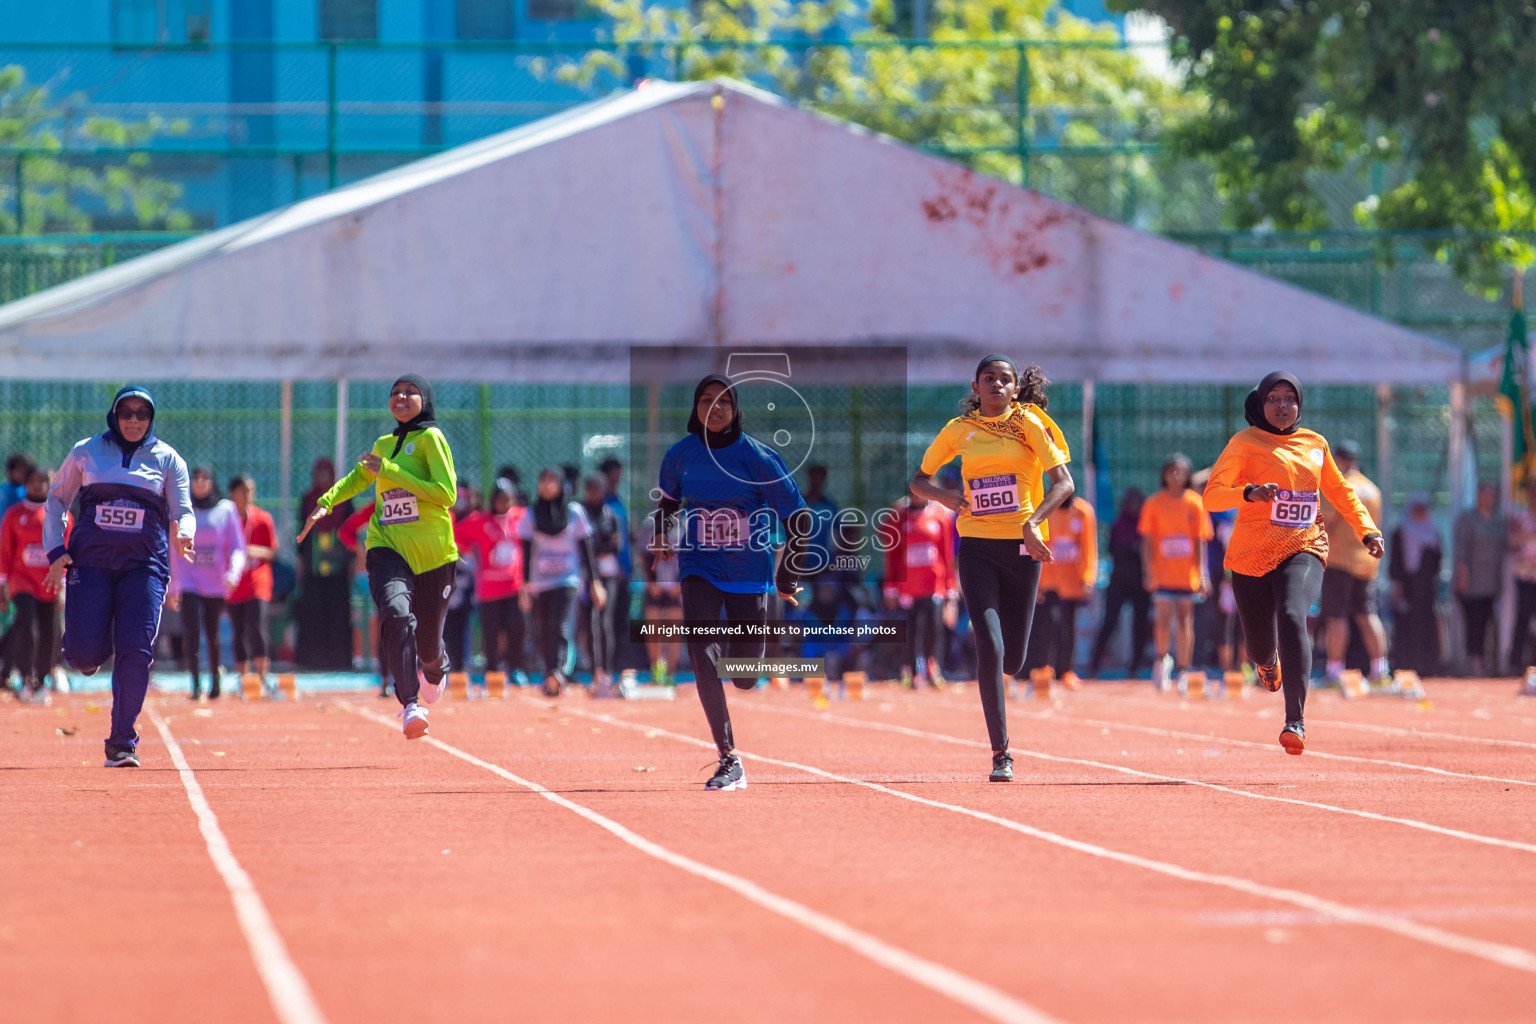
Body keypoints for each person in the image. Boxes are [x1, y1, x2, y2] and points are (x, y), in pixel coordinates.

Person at [912, 355, 1073, 782]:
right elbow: (918, 481)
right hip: (977, 547)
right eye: (989, 379)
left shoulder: (1030, 425)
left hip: (1022, 547)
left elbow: (1064, 482)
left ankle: (1005, 680)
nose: (997, 385)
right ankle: (1001, 752)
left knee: (1014, 659)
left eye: (1005, 380)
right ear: (976, 386)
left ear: (1015, 389)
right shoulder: (959, 430)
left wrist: (1034, 522)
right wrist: (945, 496)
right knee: (991, 646)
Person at [1204, 371, 1383, 755]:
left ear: (1299, 403)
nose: (1282, 406)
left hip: (1304, 547)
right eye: (1273, 399)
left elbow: (1340, 491)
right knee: (1258, 646)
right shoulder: (1244, 443)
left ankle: (1294, 721)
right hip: (1251, 557)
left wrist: (1368, 530)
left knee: (1291, 613)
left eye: (1289, 398)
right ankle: (1267, 663)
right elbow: (1212, 497)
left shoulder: (1315, 443)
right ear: (1261, 404)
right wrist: (1249, 493)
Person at [653, 373, 811, 791]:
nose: (715, 407)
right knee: (702, 651)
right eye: (707, 400)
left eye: (724, 401)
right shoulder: (680, 455)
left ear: (735, 408)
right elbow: (668, 502)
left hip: (750, 573)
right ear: (696, 408)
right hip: (699, 566)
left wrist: (786, 574)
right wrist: (661, 536)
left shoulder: (757, 458)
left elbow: (799, 518)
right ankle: (728, 756)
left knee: (743, 676)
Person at [298, 375, 458, 739]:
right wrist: (326, 502)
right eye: (394, 393)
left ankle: (436, 667)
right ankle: (410, 704)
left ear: (425, 399)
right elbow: (358, 478)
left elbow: (446, 493)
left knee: (429, 648)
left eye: (409, 392)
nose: (400, 397)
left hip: (434, 556)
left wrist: (392, 471)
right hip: (387, 545)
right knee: (395, 613)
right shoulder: (384, 443)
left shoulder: (431, 439)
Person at [44, 386, 196, 767]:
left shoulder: (168, 460)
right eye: (125, 412)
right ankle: (90, 650)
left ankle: (122, 742)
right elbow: (57, 499)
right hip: (91, 564)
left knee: (135, 652)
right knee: (81, 654)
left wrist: (184, 532)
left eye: (141, 414)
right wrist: (55, 548)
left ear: (151, 419)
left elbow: (184, 510)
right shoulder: (86, 451)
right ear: (114, 415)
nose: (133, 420)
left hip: (144, 568)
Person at [519, 468, 603, 696]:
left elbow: (587, 549)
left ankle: (559, 673)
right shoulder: (531, 515)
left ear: (562, 484)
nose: (546, 485)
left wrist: (595, 581)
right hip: (539, 583)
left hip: (568, 580)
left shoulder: (574, 512)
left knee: (561, 624)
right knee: (543, 628)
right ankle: (549, 674)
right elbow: (525, 552)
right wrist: (524, 586)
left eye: (552, 480)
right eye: (542, 480)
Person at [1319, 440, 1392, 690]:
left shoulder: (1340, 486)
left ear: (1338, 460)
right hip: (1367, 562)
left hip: (1340, 560)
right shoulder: (1372, 489)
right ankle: (1380, 669)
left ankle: (1334, 670)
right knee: (1368, 615)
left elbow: (1325, 524)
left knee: (1336, 618)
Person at [168, 468, 246, 699]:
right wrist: (174, 585)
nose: (200, 483)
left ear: (212, 482)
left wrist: (233, 573)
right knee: (191, 631)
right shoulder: (182, 510)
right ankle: (195, 683)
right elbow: (173, 548)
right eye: (196, 478)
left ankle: (215, 681)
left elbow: (237, 547)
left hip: (215, 582)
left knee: (212, 634)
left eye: (205, 478)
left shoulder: (226, 510)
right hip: (189, 581)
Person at [1139, 454, 1212, 693]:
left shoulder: (1195, 503)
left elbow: (1201, 541)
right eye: (1172, 471)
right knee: (1162, 620)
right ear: (1164, 475)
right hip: (1162, 573)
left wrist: (1203, 574)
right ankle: (1161, 660)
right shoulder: (1153, 503)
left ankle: (1182, 669)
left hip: (1186, 574)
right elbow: (1147, 541)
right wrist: (1148, 571)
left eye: (1181, 472)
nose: (1176, 476)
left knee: (1184, 620)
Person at [0, 466, 67, 703]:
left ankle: (41, 681)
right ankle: (25, 676)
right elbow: (6, 550)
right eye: (33, 481)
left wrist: (65, 586)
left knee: (49, 632)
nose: (38, 485)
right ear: (26, 484)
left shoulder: (61, 515)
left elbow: (69, 550)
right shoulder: (14, 515)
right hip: (22, 580)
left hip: (49, 583)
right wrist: (2, 582)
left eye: (42, 481)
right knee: (26, 622)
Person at [882, 491, 959, 688]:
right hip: (908, 586)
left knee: (934, 627)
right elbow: (891, 553)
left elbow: (947, 553)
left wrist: (950, 588)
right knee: (912, 628)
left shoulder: (940, 515)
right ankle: (910, 669)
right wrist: (890, 587)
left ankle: (932, 665)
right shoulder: (899, 517)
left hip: (933, 584)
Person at [455, 477, 528, 684]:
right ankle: (493, 673)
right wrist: (471, 551)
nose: (504, 503)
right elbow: (456, 534)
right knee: (491, 634)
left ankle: (514, 668)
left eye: (508, 499)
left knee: (517, 627)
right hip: (489, 589)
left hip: (514, 586)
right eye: (500, 499)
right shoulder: (481, 521)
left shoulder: (520, 517)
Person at [1024, 492, 1097, 688]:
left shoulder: (1083, 511)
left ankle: (1067, 671)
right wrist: (1036, 581)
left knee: (1068, 628)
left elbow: (1089, 546)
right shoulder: (1044, 509)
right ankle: (1044, 669)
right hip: (1049, 581)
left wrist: (1088, 577)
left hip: (1072, 582)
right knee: (1046, 627)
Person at [294, 457, 355, 670]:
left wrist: (352, 565)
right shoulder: (308, 500)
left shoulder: (343, 500)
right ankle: (312, 660)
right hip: (313, 568)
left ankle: (340, 660)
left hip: (339, 569)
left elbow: (352, 533)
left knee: (338, 615)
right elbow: (300, 534)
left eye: (326, 474)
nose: (322, 478)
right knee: (313, 613)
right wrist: (301, 563)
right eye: (318, 473)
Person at [1088, 488, 1152, 679]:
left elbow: (1148, 550)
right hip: (1118, 581)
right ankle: (1094, 665)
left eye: (1136, 501)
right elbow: (1114, 550)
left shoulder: (1146, 525)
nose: (1133, 505)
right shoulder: (1118, 524)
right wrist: (1134, 549)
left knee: (1140, 624)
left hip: (1141, 582)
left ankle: (1135, 667)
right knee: (1109, 621)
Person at [226, 475, 277, 690]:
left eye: (251, 490)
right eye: (244, 490)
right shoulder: (227, 519)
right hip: (235, 583)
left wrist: (249, 550)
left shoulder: (263, 518)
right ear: (233, 493)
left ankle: (263, 675)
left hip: (258, 581)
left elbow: (272, 551)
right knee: (238, 629)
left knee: (256, 625)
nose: (248, 495)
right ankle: (243, 677)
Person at [1451, 481, 1506, 677]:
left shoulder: (1498, 520)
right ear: (1478, 495)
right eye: (1486, 493)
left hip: (1491, 584)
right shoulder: (1468, 519)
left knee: (1489, 625)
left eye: (1493, 494)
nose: (1489, 498)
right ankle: (1474, 665)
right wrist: (1462, 577)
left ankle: (1490, 663)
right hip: (1471, 583)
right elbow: (1461, 551)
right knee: (1473, 624)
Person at [580, 473, 625, 696]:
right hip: (587, 575)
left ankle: (606, 672)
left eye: (596, 488)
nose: (592, 492)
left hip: (607, 575)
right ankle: (593, 673)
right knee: (589, 624)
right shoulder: (582, 513)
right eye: (588, 488)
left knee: (605, 622)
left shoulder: (611, 515)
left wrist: (596, 549)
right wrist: (596, 549)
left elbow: (615, 546)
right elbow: (583, 545)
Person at [1389, 493, 1442, 678]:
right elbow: (1395, 564)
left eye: (1423, 509)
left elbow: (1437, 565)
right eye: (1417, 509)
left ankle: (1428, 666)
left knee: (1425, 627)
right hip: (1406, 588)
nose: (1420, 513)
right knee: (1406, 626)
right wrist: (1397, 588)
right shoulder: (1400, 532)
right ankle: (1405, 665)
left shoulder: (1434, 534)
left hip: (1426, 591)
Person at [637, 509, 683, 684]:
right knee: (653, 629)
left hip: (676, 586)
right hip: (655, 586)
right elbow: (643, 555)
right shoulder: (650, 525)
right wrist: (650, 581)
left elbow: (690, 555)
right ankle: (657, 670)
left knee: (674, 631)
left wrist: (681, 583)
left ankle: (671, 673)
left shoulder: (685, 526)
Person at [598, 456, 635, 672]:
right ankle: (604, 668)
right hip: (609, 573)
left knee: (620, 622)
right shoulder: (601, 502)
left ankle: (620, 668)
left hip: (625, 571)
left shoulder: (618, 500)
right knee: (606, 622)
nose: (618, 478)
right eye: (615, 474)